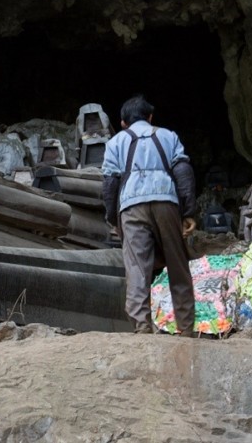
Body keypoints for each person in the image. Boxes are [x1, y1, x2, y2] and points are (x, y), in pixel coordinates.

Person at [102, 95, 198, 335]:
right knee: (178, 264)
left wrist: (113, 219)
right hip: (167, 202)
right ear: (150, 117)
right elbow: (184, 172)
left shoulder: (115, 143)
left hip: (131, 207)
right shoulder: (168, 136)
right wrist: (188, 212)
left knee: (136, 267)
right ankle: (185, 328)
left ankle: (142, 327)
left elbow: (110, 184)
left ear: (123, 123)